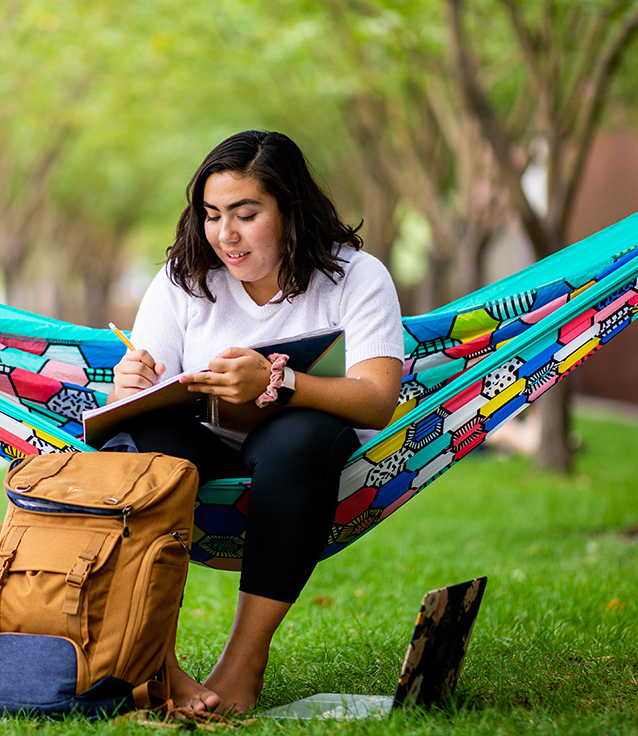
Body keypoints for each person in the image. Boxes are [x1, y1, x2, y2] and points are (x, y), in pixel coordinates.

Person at [108, 130, 404, 715]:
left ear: (290, 210)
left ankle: (242, 666)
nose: (226, 235)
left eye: (246, 214)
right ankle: (158, 665)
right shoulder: (184, 277)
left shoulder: (356, 277)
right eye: (213, 215)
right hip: (203, 441)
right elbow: (149, 381)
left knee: (299, 437)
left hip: (305, 456)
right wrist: (131, 384)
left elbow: (377, 399)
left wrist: (280, 382)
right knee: (140, 447)